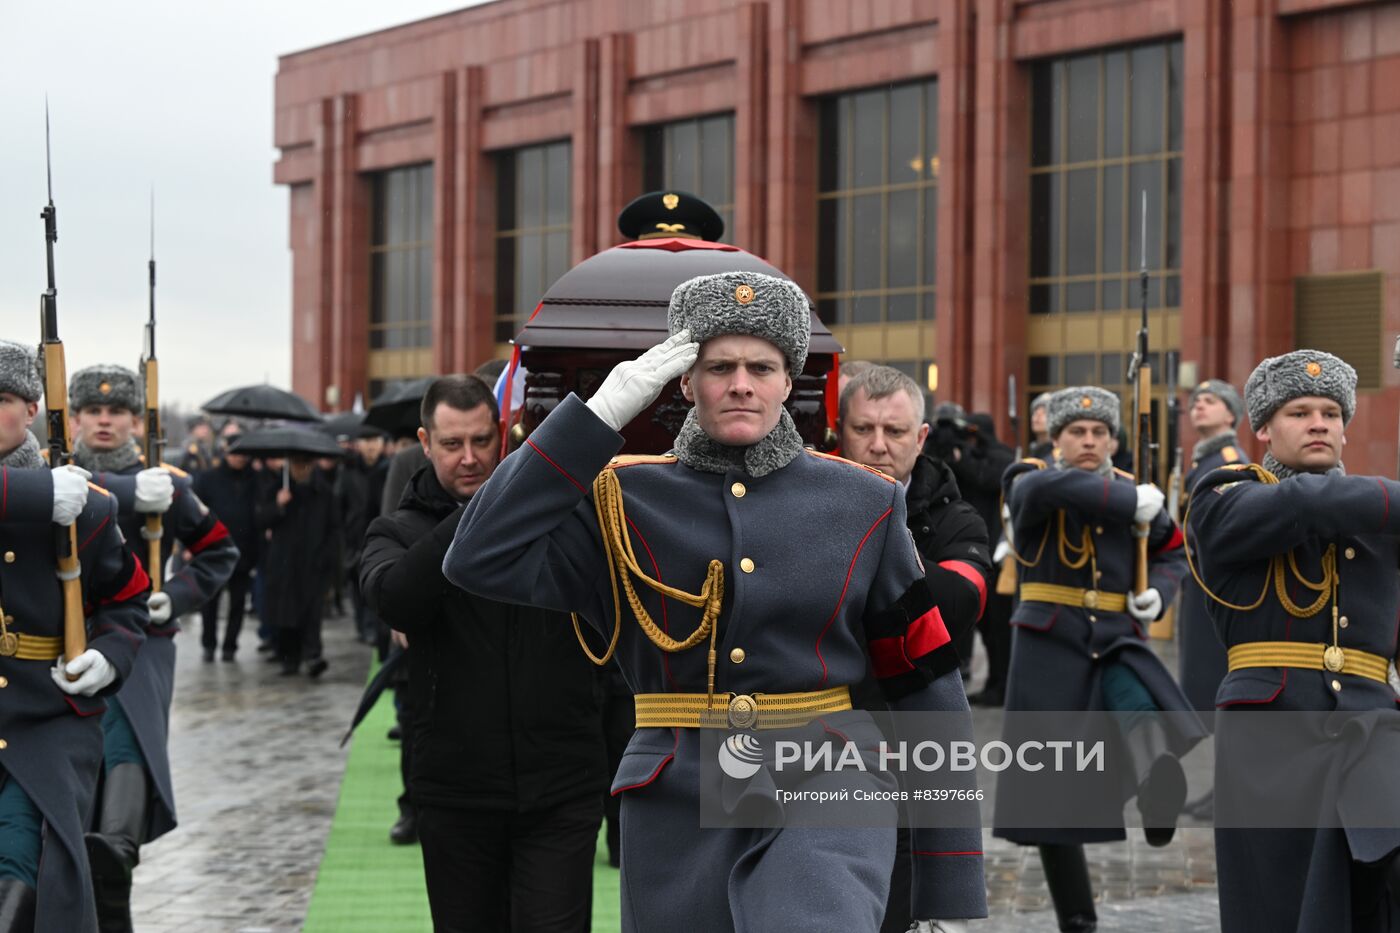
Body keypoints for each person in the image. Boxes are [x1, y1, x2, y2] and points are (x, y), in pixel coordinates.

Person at [446, 271, 987, 931]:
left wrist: (949, 882)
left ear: (789, 381)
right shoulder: (620, 500)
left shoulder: (864, 501)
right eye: (718, 365)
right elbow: (479, 556)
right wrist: (593, 419)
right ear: (682, 380)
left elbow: (927, 683)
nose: (740, 383)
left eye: (762, 366)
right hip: (678, 799)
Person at [362, 375, 607, 931]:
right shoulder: (396, 530)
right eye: (452, 445)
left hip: (562, 783)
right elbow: (395, 600)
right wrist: (491, 509)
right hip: (456, 792)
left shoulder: (556, 520)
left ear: (503, 437)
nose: (470, 459)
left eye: (481, 442)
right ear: (425, 443)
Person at [1186, 350, 1400, 932]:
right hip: (1273, 732)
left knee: (1379, 889)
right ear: (1261, 428)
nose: (1319, 423)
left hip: (1373, 729)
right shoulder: (1224, 497)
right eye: (1299, 411)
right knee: (1282, 906)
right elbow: (1306, 500)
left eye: (1332, 412)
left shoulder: (1376, 519)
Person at [994, 385, 1203, 933]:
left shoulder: (1138, 492)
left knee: (1138, 703)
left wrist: (1159, 590)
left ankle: (1158, 789)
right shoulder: (1032, 476)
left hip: (1114, 633)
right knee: (1050, 791)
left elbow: (1172, 549)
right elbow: (1034, 496)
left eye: (1100, 433)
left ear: (1114, 439)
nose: (1089, 441)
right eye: (1076, 433)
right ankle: (1078, 920)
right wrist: (1126, 501)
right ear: (1056, 438)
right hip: (1049, 645)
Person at [68, 365, 239, 932]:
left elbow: (218, 550)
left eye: (116, 412)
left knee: (128, 735)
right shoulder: (50, 478)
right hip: (64, 639)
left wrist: (176, 595)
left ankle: (116, 848)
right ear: (72, 418)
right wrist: (122, 493)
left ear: (137, 420)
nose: (104, 421)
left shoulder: (168, 483)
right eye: (93, 411)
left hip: (141, 639)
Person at [0, 341, 150, 933]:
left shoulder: (85, 509)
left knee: (21, 874)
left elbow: (127, 598)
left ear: (33, 409)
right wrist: (36, 495)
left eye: (3, 399)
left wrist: (109, 656)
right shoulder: (50, 496)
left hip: (43, 718)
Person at [838, 364, 990, 933]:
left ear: (921, 438)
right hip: (815, 730)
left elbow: (956, 606)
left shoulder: (956, 516)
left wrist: (872, 533)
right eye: (863, 428)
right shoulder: (798, 502)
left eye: (895, 432)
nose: (878, 445)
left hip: (907, 740)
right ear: (839, 430)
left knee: (896, 906)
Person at [1173, 378, 1248, 819]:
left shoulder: (1228, 463)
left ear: (1231, 416)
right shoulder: (1203, 460)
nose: (1198, 406)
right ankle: (1222, 788)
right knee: (1209, 693)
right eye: (1195, 401)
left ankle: (1231, 790)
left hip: (1216, 593)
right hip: (1200, 588)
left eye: (1211, 401)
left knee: (1222, 690)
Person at [257, 455, 339, 676]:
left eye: (305, 465)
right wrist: (278, 505)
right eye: (297, 465)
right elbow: (261, 518)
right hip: (284, 561)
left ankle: (313, 654)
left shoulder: (323, 491)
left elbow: (333, 526)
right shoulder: (276, 488)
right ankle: (289, 657)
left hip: (313, 560)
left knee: (312, 611)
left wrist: (327, 557)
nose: (301, 469)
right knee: (286, 611)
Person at [193, 423, 261, 662]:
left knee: (238, 602)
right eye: (235, 453)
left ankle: (230, 645)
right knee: (210, 602)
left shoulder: (255, 479)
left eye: (243, 454)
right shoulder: (209, 479)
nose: (239, 458)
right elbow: (196, 514)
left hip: (243, 549)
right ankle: (209, 644)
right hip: (213, 549)